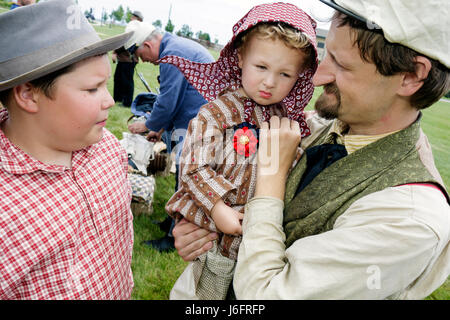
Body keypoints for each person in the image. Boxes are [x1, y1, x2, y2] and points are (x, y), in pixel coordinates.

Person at [171, 0, 450, 299]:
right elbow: (206, 169)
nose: (317, 77)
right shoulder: (308, 126)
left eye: (341, 64)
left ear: (411, 75)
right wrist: (202, 221)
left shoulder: (409, 219)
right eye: (324, 54)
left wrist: (271, 177)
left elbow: (264, 296)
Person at [161, 2, 318, 299]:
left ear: (300, 76)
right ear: (241, 57)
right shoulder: (217, 114)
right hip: (212, 238)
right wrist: (218, 208)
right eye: (261, 67)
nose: (270, 82)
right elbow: (193, 167)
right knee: (200, 294)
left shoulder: (287, 121)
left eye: (285, 74)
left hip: (256, 245)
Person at [0, 0, 134, 299]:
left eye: (106, 85)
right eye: (92, 89)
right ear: (27, 94)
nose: (109, 101)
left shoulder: (108, 149)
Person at [124, 20, 215, 252]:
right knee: (181, 178)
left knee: (187, 179)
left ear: (146, 44)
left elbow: (167, 102)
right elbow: (176, 100)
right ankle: (172, 221)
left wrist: (147, 125)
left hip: (198, 123)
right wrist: (160, 130)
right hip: (191, 119)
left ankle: (174, 237)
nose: (142, 60)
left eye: (139, 54)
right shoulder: (174, 49)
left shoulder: (172, 55)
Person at [111, 12, 143, 107]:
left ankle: (127, 102)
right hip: (125, 58)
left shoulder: (136, 29)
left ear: (139, 19)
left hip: (128, 59)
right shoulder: (134, 28)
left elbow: (126, 43)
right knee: (119, 79)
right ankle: (118, 98)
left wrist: (115, 52)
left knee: (126, 81)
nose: (131, 18)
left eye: (133, 17)